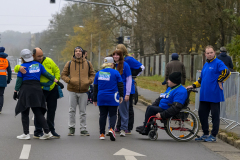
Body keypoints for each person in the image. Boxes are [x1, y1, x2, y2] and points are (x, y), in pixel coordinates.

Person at [14, 49, 63, 140]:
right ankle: (47, 132)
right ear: (32, 56)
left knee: (24, 112)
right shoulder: (39, 66)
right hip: (37, 90)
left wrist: (15, 91)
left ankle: (26, 133)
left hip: (26, 90)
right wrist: (57, 82)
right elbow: (48, 75)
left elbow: (19, 81)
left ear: (22, 58)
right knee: (38, 112)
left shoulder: (22, 67)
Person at [186, 45, 231, 142]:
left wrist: (220, 80)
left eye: (211, 52)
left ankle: (213, 135)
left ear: (214, 52)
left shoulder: (218, 62)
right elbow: (201, 79)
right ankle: (205, 134)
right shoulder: (205, 65)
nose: (209, 54)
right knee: (202, 114)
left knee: (215, 115)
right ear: (205, 54)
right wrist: (193, 85)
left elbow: (227, 72)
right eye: (207, 53)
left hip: (214, 94)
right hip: (204, 94)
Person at [61, 46, 95, 136]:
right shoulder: (69, 63)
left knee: (83, 111)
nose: (78, 53)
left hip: (84, 91)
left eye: (80, 51)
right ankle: (71, 128)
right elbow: (63, 75)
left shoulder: (88, 63)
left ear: (82, 53)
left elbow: (92, 74)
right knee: (72, 110)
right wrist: (69, 81)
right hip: (72, 90)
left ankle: (83, 129)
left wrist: (89, 81)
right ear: (74, 53)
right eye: (76, 51)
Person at [115, 44, 145, 134]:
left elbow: (142, 67)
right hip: (120, 87)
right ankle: (119, 125)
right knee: (120, 108)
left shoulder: (129, 59)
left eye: (117, 50)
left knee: (129, 108)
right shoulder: (117, 60)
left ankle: (128, 127)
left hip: (128, 87)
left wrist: (133, 75)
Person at [93, 57, 124, 141]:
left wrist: (94, 99)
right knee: (113, 114)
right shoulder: (116, 73)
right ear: (112, 64)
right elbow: (120, 85)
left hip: (101, 96)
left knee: (102, 115)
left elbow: (95, 87)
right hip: (113, 97)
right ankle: (111, 129)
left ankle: (102, 134)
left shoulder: (98, 73)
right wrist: (121, 96)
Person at [112, 49, 132, 137]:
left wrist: (127, 93)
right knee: (112, 112)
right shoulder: (111, 65)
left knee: (123, 111)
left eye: (117, 55)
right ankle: (111, 128)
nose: (115, 56)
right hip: (112, 91)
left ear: (121, 56)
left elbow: (129, 80)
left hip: (122, 92)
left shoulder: (125, 65)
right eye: (114, 55)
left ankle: (123, 129)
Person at [0, 47, 12, 114]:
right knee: (1, 95)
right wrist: (9, 80)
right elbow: (9, 71)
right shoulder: (6, 61)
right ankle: (0, 109)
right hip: (3, 80)